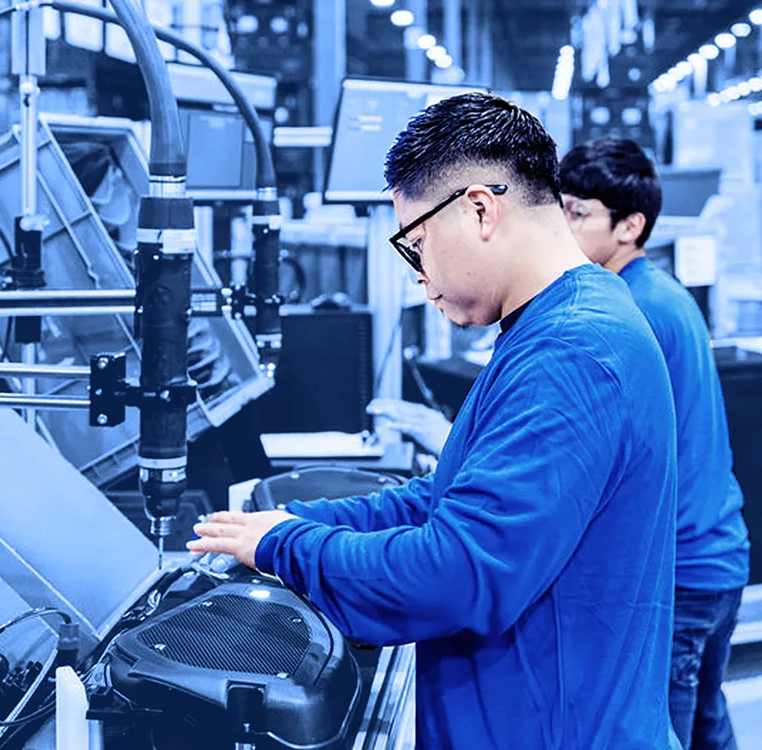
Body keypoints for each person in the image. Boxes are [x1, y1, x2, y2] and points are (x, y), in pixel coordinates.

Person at [188, 92, 682, 748]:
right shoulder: (554, 324)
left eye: (417, 244)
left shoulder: (574, 350)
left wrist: (288, 548)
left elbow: (459, 572)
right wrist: (292, 524)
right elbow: (446, 501)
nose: (420, 276)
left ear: (479, 209)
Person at [560, 136, 750, 750]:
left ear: (630, 225)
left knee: (664, 732)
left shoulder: (629, 309)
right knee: (707, 728)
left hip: (685, 571)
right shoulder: (660, 293)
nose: (561, 227)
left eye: (578, 213)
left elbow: (601, 453)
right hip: (719, 557)